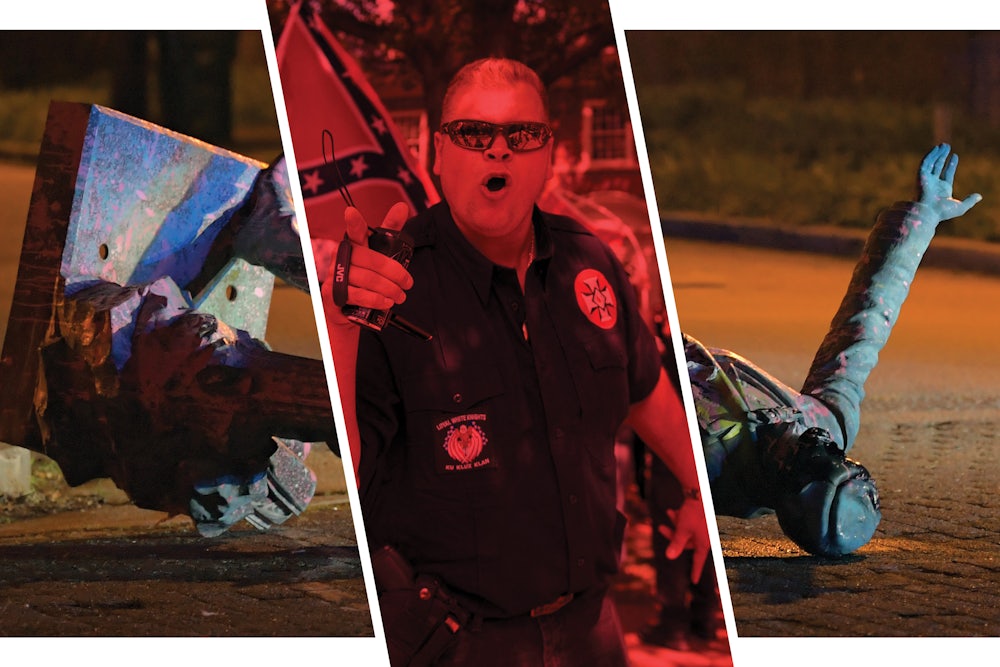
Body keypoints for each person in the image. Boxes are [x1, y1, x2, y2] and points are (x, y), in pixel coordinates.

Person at [324, 58, 710, 666]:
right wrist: (343, 333)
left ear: (547, 154)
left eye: (520, 135)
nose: (497, 151)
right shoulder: (390, 290)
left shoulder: (592, 262)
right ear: (438, 155)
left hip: (592, 628)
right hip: (458, 641)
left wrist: (695, 490)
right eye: (474, 134)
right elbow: (350, 473)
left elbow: (641, 383)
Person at [685, 143, 981, 558]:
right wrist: (923, 218)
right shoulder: (825, 423)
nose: (820, 448)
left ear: (791, 495)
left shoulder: (712, 477)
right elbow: (866, 321)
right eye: (838, 460)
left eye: (818, 467)